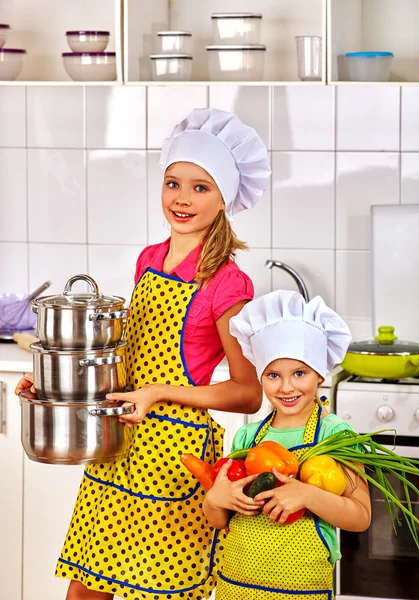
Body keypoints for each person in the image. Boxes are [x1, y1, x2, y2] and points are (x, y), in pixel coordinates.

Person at [15, 107, 271, 600]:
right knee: (84, 591)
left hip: (173, 461)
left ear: (225, 199)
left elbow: (246, 393)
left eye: (201, 188)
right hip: (116, 447)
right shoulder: (149, 259)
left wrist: (157, 393)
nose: (182, 198)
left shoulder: (228, 282)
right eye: (174, 183)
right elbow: (124, 359)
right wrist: (52, 388)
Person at [203, 290, 372, 599]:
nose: (286, 387)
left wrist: (306, 494)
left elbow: (360, 517)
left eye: (299, 373)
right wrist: (216, 499)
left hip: (302, 589)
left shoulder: (335, 434)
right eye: (273, 375)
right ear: (261, 377)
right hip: (235, 586)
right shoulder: (247, 438)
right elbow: (217, 520)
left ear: (319, 374)